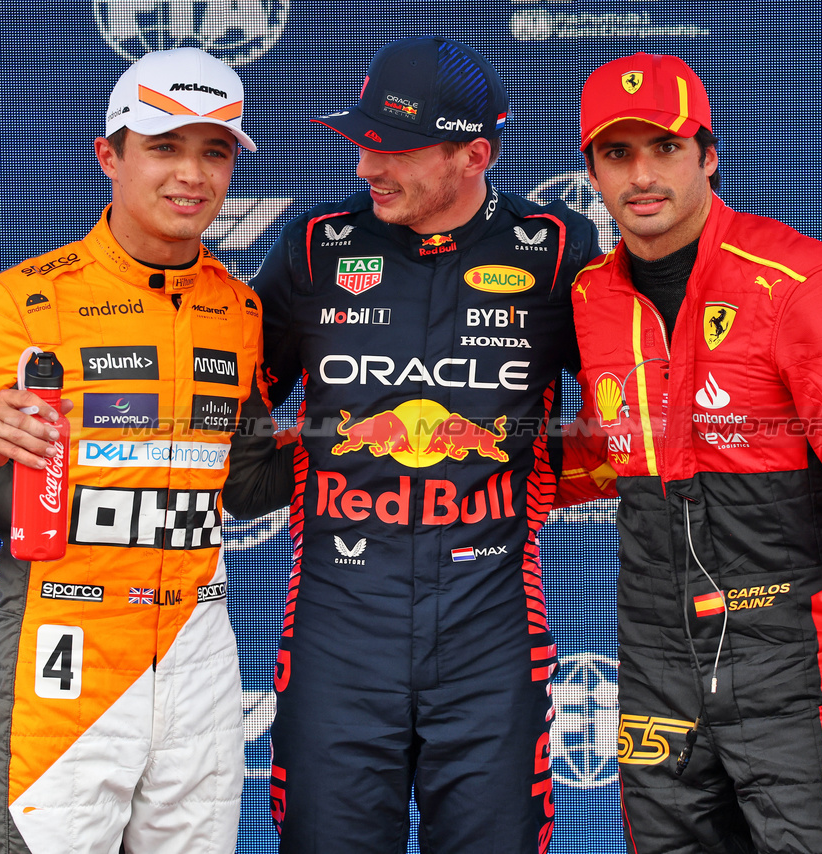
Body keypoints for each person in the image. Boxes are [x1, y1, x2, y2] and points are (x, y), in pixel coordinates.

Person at [0, 48, 288, 854]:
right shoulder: (18, 301)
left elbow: (246, 486)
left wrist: (367, 437)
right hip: (65, 652)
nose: (193, 175)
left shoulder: (239, 309)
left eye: (215, 151)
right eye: (165, 146)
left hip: (197, 651)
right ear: (109, 155)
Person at [556, 52, 822, 853]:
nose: (642, 175)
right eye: (617, 153)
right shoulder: (591, 297)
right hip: (657, 666)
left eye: (665, 147)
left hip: (796, 672)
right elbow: (610, 453)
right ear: (590, 169)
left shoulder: (800, 281)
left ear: (709, 154)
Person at [250, 36, 599, 853]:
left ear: (474, 154)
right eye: (362, 141)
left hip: (493, 633)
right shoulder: (312, 248)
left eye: (394, 147)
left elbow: (640, 417)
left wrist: (542, 473)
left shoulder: (556, 252)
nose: (368, 166)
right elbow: (230, 410)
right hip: (338, 629)